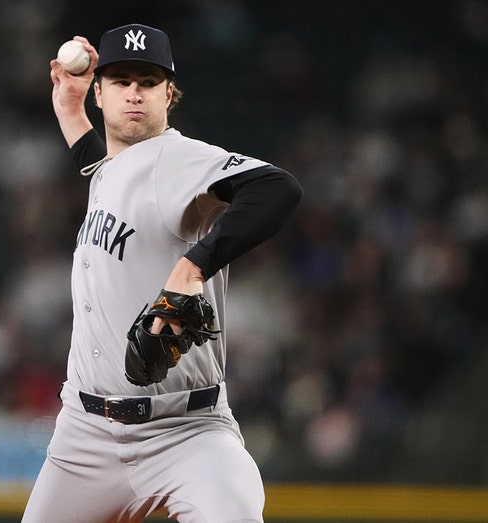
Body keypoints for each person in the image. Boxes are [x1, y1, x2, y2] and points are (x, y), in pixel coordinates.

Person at [21, 23, 302, 523]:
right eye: (121, 81)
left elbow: (277, 189)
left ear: (169, 95)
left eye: (148, 82)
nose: (134, 93)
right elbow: (107, 167)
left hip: (186, 433)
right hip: (85, 436)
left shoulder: (178, 158)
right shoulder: (116, 165)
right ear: (100, 93)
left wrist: (193, 267)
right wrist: (69, 110)